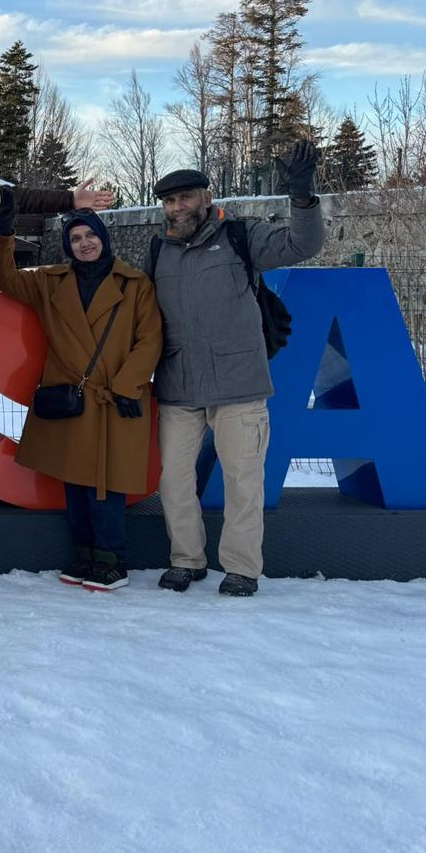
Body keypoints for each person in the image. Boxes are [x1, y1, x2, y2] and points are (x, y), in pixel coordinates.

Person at [146, 148, 324, 597]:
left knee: (243, 481)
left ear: (206, 198)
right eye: (169, 201)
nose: (177, 208)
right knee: (173, 480)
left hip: (239, 384)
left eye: (185, 198)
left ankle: (242, 568)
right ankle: (186, 560)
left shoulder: (242, 236)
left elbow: (302, 244)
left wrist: (302, 198)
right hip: (178, 386)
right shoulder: (158, 250)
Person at [0, 195, 163, 591]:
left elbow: (150, 339)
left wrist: (126, 386)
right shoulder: (49, 282)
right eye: (76, 238)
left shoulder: (135, 285)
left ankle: (112, 560)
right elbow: (3, 276)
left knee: (108, 487)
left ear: (103, 237)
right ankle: (85, 555)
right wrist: (3, 231)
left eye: (90, 235)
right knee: (76, 484)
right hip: (73, 400)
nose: (85, 243)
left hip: (114, 400)